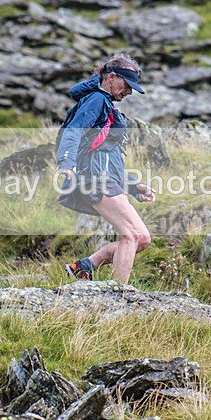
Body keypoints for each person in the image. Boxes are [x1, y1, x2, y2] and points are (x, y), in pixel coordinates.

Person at [55, 53, 155, 285]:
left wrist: (132, 185)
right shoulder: (96, 100)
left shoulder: (106, 103)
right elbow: (74, 132)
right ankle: (119, 294)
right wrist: (66, 163)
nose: (129, 91)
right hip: (95, 178)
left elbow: (109, 155)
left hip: (108, 177)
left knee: (142, 239)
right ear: (111, 77)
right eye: (127, 85)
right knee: (130, 235)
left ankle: (85, 266)